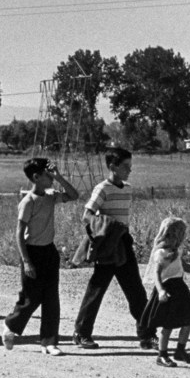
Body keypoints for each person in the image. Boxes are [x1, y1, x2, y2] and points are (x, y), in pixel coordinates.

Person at [71, 148, 156, 350]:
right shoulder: (102, 188)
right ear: (112, 167)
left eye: (130, 166)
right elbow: (86, 215)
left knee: (135, 290)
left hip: (124, 243)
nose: (130, 170)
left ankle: (147, 335)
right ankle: (81, 333)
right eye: (125, 166)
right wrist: (106, 228)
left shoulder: (127, 188)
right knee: (97, 289)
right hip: (108, 243)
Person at [0, 157, 79, 355]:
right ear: (36, 177)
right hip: (32, 252)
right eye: (47, 174)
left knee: (51, 298)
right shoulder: (28, 202)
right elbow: (19, 233)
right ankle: (11, 324)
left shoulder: (51, 196)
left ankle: (49, 342)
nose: (50, 178)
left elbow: (74, 195)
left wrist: (59, 177)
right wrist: (26, 261)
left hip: (49, 252)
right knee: (31, 298)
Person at [139, 217, 190, 367]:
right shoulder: (160, 253)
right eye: (172, 235)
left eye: (178, 236)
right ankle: (162, 355)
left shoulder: (176, 251)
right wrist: (160, 291)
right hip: (167, 289)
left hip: (180, 288)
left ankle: (180, 350)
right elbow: (156, 274)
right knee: (168, 324)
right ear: (165, 235)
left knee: (188, 319)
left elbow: (183, 265)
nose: (176, 239)